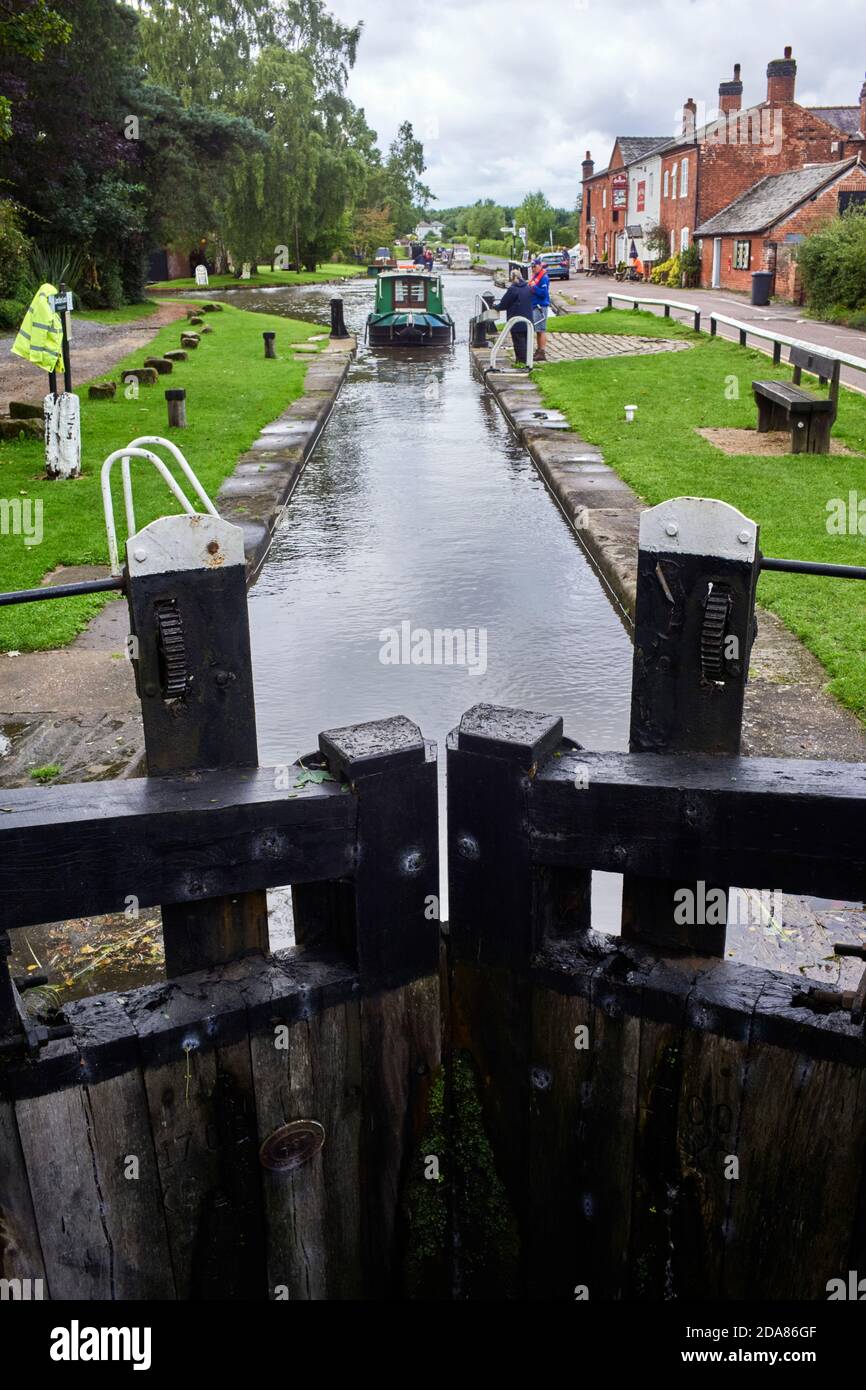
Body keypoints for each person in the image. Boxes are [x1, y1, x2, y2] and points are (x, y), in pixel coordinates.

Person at [496, 269, 534, 366]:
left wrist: (495, 307)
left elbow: (504, 304)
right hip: (528, 319)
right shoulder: (528, 287)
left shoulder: (513, 289)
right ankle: (528, 361)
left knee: (519, 342)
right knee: (527, 341)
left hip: (516, 320)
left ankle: (521, 362)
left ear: (512, 278)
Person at [529, 256, 550, 360]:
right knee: (537, 330)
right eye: (532, 267)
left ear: (540, 266)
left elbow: (544, 293)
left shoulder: (543, 278)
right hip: (535, 306)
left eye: (535, 266)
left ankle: (542, 352)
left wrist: (534, 287)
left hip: (540, 306)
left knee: (541, 330)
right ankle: (538, 350)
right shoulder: (535, 276)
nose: (533, 268)